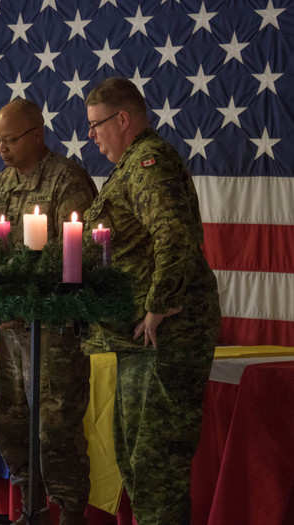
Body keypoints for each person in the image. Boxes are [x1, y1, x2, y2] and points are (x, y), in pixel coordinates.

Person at [82, 77, 221, 525]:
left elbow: (173, 234)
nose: (92, 135)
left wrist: (159, 304)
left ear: (123, 118)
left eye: (97, 124)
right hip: (138, 338)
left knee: (155, 463)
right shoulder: (129, 168)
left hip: (165, 335)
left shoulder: (147, 163)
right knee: (135, 458)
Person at [0, 98, 98, 525]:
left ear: (36, 134)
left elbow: (77, 256)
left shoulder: (68, 181)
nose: (2, 148)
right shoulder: (4, 183)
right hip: (13, 329)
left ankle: (68, 512)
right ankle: (32, 508)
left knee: (55, 427)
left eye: (9, 139)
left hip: (56, 332)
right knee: (11, 420)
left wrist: (33, 291)